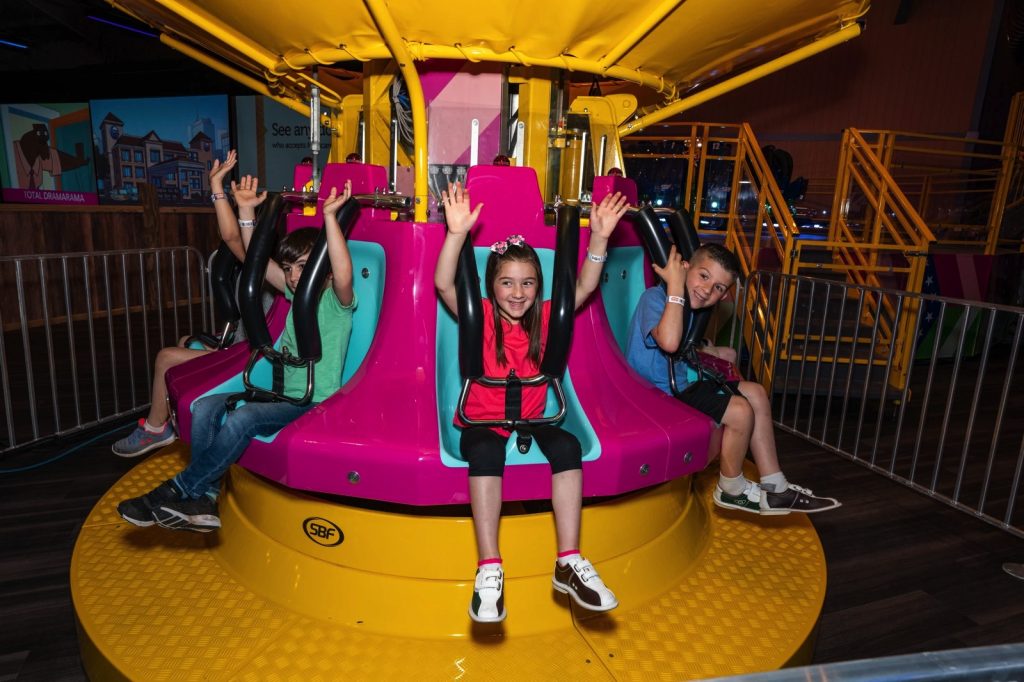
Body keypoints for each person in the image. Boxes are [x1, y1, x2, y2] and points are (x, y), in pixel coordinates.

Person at [434, 182, 629, 623]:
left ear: (538, 287)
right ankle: (489, 567)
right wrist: (456, 234)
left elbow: (582, 287)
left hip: (534, 416)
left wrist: (598, 238)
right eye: (507, 283)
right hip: (483, 419)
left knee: (567, 448)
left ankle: (569, 560)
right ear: (491, 286)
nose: (517, 293)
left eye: (527, 283)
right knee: (484, 452)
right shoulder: (479, 315)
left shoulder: (544, 317)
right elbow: (444, 283)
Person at [117, 177, 358, 532]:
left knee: (242, 421)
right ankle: (206, 500)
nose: (293, 278)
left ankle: (178, 490)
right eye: (290, 269)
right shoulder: (294, 296)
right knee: (205, 407)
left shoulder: (337, 304)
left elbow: (342, 273)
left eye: (304, 267)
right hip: (281, 395)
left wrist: (331, 220)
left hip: (312, 400)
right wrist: (246, 211)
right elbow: (256, 260)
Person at [625, 242, 840, 515]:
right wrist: (676, 288)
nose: (707, 290)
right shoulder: (656, 298)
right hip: (655, 391)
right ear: (685, 269)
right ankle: (731, 488)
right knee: (740, 411)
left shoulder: (691, 306)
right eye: (704, 276)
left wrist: (709, 350)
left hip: (678, 381)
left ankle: (775, 487)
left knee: (756, 393)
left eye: (718, 288)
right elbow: (668, 342)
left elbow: (680, 346)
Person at [111, 150, 248, 458]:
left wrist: (218, 189)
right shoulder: (257, 266)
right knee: (186, 341)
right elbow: (231, 237)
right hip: (237, 347)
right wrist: (216, 186)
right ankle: (172, 420)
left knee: (166, 357)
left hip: (245, 356)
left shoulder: (269, 269)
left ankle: (156, 429)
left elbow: (231, 237)